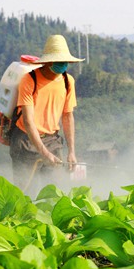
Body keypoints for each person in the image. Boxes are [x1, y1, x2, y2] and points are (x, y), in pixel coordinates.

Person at [9, 34, 83, 195]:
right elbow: (28, 121)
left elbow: (67, 116)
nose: (62, 65)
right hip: (26, 140)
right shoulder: (30, 80)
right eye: (58, 61)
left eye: (64, 62)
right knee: (25, 192)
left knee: (56, 192)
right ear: (48, 61)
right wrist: (44, 153)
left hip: (52, 139)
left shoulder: (67, 81)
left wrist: (71, 151)